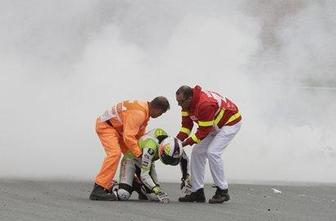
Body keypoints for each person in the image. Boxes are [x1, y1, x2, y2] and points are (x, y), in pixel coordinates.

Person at [89, 97, 170, 201]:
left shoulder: (144, 110)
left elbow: (137, 138)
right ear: (157, 108)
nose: (160, 116)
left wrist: (141, 153)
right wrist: (140, 155)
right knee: (115, 154)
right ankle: (99, 188)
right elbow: (128, 137)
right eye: (161, 113)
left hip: (118, 129)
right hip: (107, 126)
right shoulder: (139, 113)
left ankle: (135, 182)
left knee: (131, 154)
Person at [176, 85, 242, 204]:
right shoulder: (186, 106)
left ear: (189, 99)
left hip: (230, 123)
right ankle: (197, 192)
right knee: (197, 152)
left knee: (213, 152)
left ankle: (223, 191)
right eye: (177, 101)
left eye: (181, 102)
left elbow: (203, 131)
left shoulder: (204, 104)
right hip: (212, 125)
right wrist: (176, 142)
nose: (179, 105)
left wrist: (184, 144)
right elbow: (186, 127)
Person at [115, 128, 188, 203]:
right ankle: (114, 185)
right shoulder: (150, 148)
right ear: (161, 149)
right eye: (167, 158)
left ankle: (138, 185)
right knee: (123, 195)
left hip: (147, 163)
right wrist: (157, 190)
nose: (169, 161)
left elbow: (185, 160)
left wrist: (185, 177)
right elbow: (144, 175)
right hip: (131, 160)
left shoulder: (175, 145)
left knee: (154, 197)